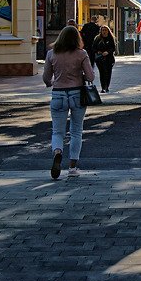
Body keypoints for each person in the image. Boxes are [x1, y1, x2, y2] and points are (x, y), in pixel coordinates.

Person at [43, 25, 95, 180]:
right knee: (76, 131)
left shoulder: (52, 54)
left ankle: (58, 152)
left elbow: (46, 77)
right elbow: (91, 77)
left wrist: (51, 82)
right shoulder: (81, 54)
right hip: (77, 94)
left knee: (57, 131)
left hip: (58, 94)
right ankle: (73, 167)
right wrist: (81, 76)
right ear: (77, 38)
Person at [92, 25, 116, 93]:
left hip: (109, 58)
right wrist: (97, 51)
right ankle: (103, 87)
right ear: (101, 31)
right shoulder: (97, 38)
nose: (104, 32)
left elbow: (113, 48)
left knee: (108, 73)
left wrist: (108, 52)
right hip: (100, 59)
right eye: (103, 30)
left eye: (105, 30)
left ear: (108, 31)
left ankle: (107, 87)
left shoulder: (110, 38)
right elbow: (93, 48)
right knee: (102, 73)